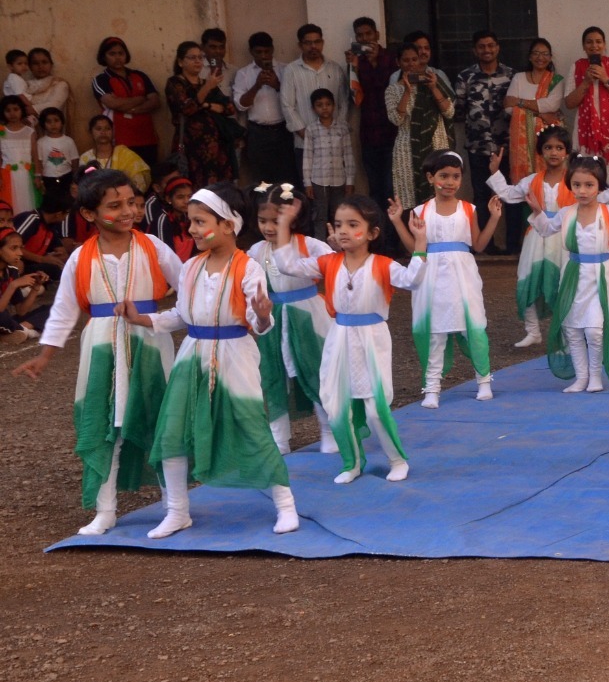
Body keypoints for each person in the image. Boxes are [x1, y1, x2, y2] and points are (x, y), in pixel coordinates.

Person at [122, 183, 299, 538]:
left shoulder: (248, 268)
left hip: (235, 355)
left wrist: (263, 315)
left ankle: (286, 504)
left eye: (201, 221)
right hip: (192, 356)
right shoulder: (191, 267)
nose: (192, 229)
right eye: (191, 221)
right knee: (173, 429)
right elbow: (182, 315)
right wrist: (145, 319)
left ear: (229, 225)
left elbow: (259, 321)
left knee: (251, 426)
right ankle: (177, 511)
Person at [12, 169, 184, 535]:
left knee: (160, 418)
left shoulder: (153, 246)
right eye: (115, 205)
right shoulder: (80, 258)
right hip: (101, 347)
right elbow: (63, 311)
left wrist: (161, 321)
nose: (127, 211)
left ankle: (176, 508)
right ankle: (106, 510)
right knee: (106, 425)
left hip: (150, 344)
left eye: (131, 203)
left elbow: (191, 289)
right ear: (89, 214)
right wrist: (45, 355)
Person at [274, 195, 429, 484]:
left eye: (353, 224)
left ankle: (397, 459)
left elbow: (413, 280)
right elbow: (286, 265)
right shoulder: (327, 262)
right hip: (339, 337)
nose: (343, 230)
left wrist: (420, 243)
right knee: (336, 401)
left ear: (372, 233)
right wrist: (283, 223)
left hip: (372, 340)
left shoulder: (382, 264)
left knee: (375, 407)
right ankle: (352, 461)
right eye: (338, 224)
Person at [485, 127, 609, 349]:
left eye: (559, 148)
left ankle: (565, 333)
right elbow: (508, 194)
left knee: (562, 284)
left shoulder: (575, 181)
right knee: (527, 278)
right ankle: (532, 330)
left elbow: (603, 195)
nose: (553, 152)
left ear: (566, 152)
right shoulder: (532, 180)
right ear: (540, 152)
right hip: (536, 236)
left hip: (564, 236)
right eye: (548, 148)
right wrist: (495, 172)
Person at [525, 154, 609, 393]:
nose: (582, 191)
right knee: (572, 327)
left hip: (599, 275)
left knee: (594, 330)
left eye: (589, 185)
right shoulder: (566, 212)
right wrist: (537, 211)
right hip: (573, 273)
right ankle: (581, 377)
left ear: (599, 186)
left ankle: (595, 376)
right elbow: (545, 229)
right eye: (576, 185)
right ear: (570, 185)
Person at [394, 150, 500, 409]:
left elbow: (478, 244)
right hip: (431, 277)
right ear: (431, 178)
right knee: (435, 331)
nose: (450, 182)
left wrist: (495, 218)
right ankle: (432, 387)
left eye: (456, 176)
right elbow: (414, 249)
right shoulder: (420, 211)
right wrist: (397, 221)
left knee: (472, 325)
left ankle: (484, 380)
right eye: (444, 176)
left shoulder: (468, 209)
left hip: (463, 275)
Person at [248, 182, 336, 456]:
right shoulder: (256, 251)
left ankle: (329, 429)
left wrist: (338, 251)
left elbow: (338, 267)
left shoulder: (310, 245)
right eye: (263, 220)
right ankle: (279, 437)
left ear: (293, 217)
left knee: (315, 370)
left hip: (308, 314)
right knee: (273, 376)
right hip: (272, 317)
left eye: (276, 220)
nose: (269, 227)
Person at [503, 36, 566, 253]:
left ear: (550, 58)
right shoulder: (519, 77)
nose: (541, 57)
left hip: (546, 141)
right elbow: (508, 107)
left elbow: (552, 104)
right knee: (524, 187)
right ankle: (523, 240)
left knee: (545, 185)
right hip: (521, 144)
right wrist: (539, 111)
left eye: (545, 54)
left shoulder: (556, 80)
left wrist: (521, 104)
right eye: (536, 53)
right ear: (530, 57)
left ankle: (549, 237)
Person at [455, 30, 514, 252]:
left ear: (497, 47)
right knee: (480, 196)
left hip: (506, 146)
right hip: (478, 146)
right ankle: (484, 245)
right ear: (475, 50)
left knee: (510, 195)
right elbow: (458, 109)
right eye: (482, 46)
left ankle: (512, 244)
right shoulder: (465, 77)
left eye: (491, 45)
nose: (487, 50)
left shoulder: (511, 75)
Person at [345, 17, 400, 237]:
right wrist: (353, 70)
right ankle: (379, 240)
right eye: (360, 36)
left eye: (369, 34)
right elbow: (354, 97)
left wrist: (376, 62)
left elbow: (387, 88)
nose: (365, 39)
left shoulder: (391, 60)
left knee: (391, 191)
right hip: (369, 135)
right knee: (374, 191)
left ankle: (395, 241)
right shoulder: (356, 62)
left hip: (393, 135)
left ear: (377, 35)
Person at [386, 43, 456, 211]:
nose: (411, 64)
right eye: (406, 60)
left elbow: (449, 112)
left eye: (414, 59)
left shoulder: (434, 83)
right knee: (409, 201)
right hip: (407, 151)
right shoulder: (393, 90)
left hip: (436, 146)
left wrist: (433, 88)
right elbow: (396, 119)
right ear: (398, 63)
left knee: (438, 196)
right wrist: (407, 92)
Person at [281, 24, 349, 187]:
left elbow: (343, 103)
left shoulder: (335, 69)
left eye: (317, 42)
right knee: (310, 192)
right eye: (308, 43)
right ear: (300, 45)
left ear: (322, 43)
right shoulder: (292, 70)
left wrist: (334, 133)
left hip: (334, 144)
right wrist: (308, 135)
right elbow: (287, 105)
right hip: (304, 144)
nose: (313, 46)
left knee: (335, 191)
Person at [165, 41, 236, 187]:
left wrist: (206, 105)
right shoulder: (175, 83)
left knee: (220, 191)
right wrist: (208, 87)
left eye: (200, 57)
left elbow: (229, 108)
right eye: (192, 58)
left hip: (216, 148)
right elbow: (188, 108)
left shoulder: (206, 82)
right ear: (180, 62)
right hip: (191, 148)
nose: (197, 61)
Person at [563, 26, 609, 179]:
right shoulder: (577, 67)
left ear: (604, 44)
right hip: (586, 133)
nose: (594, 46)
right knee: (587, 175)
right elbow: (569, 103)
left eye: (599, 42)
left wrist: (606, 79)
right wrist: (586, 82)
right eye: (589, 42)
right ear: (583, 46)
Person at [233, 32, 294, 186]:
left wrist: (277, 85)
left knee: (287, 177)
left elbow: (295, 100)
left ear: (272, 50)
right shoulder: (243, 73)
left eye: (267, 51)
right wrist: (257, 85)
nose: (263, 56)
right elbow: (241, 105)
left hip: (283, 130)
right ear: (251, 52)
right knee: (261, 180)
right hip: (257, 133)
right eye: (259, 52)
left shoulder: (286, 69)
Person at [91, 38, 161, 167]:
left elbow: (155, 101)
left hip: (146, 137)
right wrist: (140, 99)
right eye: (112, 54)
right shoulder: (101, 79)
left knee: (149, 177)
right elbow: (113, 103)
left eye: (121, 53)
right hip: (119, 139)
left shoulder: (140, 75)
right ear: (104, 57)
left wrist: (130, 108)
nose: (117, 57)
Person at [301, 88, 356, 239]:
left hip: (339, 180)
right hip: (319, 181)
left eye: (328, 104)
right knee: (320, 216)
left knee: (338, 215)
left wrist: (350, 181)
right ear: (314, 108)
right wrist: (308, 183)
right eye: (320, 105)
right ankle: (320, 248)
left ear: (334, 106)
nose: (324, 108)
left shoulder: (342, 128)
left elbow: (349, 155)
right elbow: (307, 157)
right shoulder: (311, 130)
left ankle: (339, 246)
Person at [199, 29, 242, 178]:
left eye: (221, 47)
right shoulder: (197, 71)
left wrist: (239, 133)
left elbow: (238, 107)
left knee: (231, 178)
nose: (218, 51)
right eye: (213, 47)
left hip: (230, 133)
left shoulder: (233, 71)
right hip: (206, 134)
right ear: (203, 47)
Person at [80, 114, 150, 194]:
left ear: (113, 132)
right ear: (91, 132)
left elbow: (140, 183)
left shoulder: (125, 154)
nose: (103, 132)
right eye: (98, 129)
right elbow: (84, 185)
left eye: (107, 129)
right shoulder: (85, 158)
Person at [0, 228, 49, 339]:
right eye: (14, 248)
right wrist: (13, 285)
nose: (20, 253)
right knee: (3, 317)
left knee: (55, 308)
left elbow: (21, 311)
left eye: (21, 248)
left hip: (6, 320)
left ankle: (18, 330)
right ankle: (27, 331)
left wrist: (35, 287)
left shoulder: (11, 271)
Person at [1, 95, 38, 215]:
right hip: (6, 175)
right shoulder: (1, 132)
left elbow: (35, 156)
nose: (12, 113)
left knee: (27, 205)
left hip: (26, 175)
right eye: (8, 110)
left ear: (22, 110)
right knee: (9, 206)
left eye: (16, 109)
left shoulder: (29, 132)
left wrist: (38, 176)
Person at [34, 107, 78, 204]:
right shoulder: (41, 142)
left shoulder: (68, 141)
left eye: (56, 120)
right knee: (51, 203)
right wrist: (40, 180)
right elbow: (39, 163)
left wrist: (75, 180)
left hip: (66, 177)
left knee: (67, 202)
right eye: (49, 122)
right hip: (48, 179)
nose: (53, 124)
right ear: (43, 124)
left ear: (62, 122)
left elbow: (74, 161)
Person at [23, 48, 74, 130]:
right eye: (35, 63)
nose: (40, 66)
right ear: (30, 67)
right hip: (26, 133)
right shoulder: (24, 85)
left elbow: (54, 105)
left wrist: (31, 109)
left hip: (52, 133)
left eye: (44, 62)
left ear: (51, 65)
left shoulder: (60, 84)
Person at [151, 175, 197, 261]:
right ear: (169, 199)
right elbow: (164, 257)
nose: (186, 201)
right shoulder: (163, 220)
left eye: (189, 196)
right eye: (180, 197)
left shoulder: (191, 217)